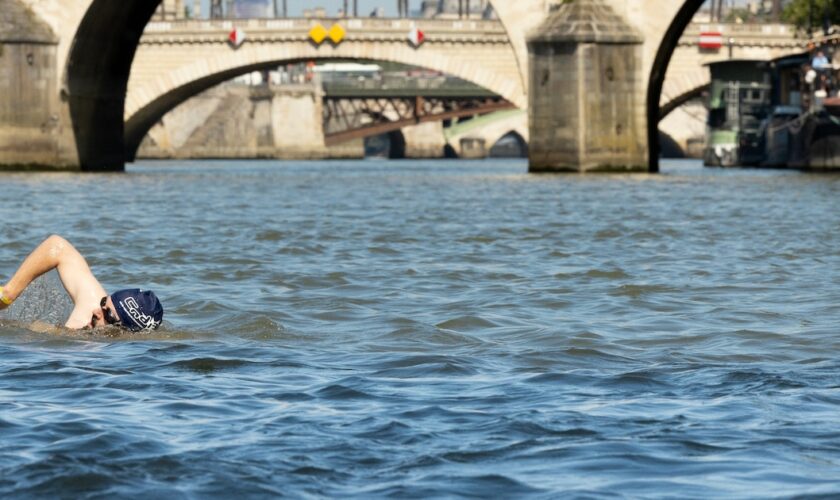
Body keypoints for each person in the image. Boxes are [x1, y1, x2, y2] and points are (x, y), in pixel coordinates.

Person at [0, 235, 163, 331]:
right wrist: (9, 293)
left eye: (109, 316)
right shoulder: (92, 303)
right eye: (104, 302)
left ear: (125, 331)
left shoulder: (95, 356)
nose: (97, 311)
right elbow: (58, 246)